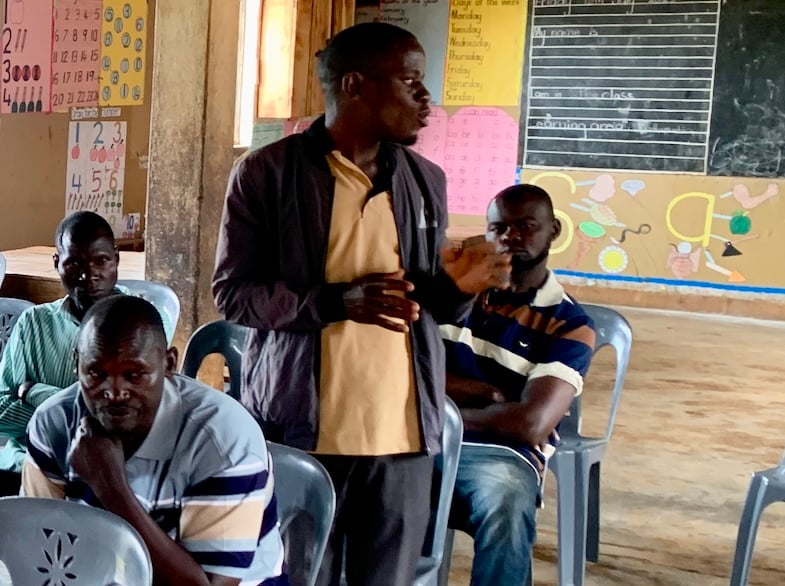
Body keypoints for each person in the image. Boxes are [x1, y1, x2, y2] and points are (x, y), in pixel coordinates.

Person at [212, 22, 510, 586]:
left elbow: (423, 305)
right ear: (355, 86)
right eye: (410, 81)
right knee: (301, 575)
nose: (426, 98)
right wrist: (337, 301)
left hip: (402, 436)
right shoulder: (267, 174)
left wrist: (460, 289)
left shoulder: (425, 181)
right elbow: (234, 294)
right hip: (303, 429)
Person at [22, 295, 286, 586]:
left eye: (134, 374)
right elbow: (37, 542)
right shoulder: (54, 423)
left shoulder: (222, 441)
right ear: (77, 364)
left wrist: (111, 486)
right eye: (96, 373)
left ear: (169, 363)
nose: (114, 392)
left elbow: (207, 585)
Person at [441, 184, 596, 586]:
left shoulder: (569, 325)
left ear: (554, 231)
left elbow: (529, 425)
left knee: (507, 501)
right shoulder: (452, 297)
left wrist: (436, 409)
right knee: (357, 483)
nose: (511, 237)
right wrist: (489, 396)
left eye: (527, 226)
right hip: (418, 441)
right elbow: (402, 377)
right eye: (499, 228)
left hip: (498, 455)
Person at [0, 211, 124, 495]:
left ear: (116, 260)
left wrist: (35, 392)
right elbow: (0, 410)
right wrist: (68, 419)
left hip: (103, 474)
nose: (88, 275)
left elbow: (115, 423)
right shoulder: (35, 322)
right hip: (25, 464)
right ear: (57, 263)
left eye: (101, 261)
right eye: (74, 263)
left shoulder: (138, 325)